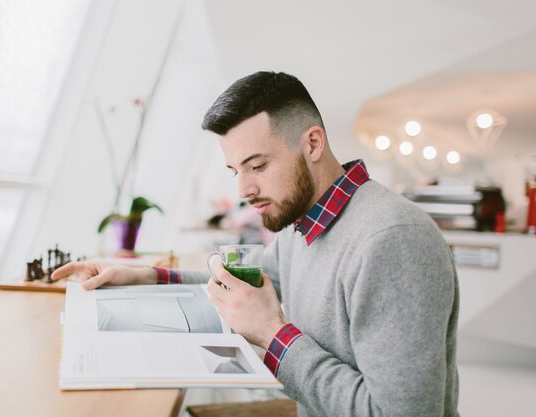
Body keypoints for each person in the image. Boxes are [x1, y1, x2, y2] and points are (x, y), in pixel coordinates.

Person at [52, 71, 460, 417]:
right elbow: (249, 283)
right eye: (235, 171)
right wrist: (147, 275)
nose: (245, 189)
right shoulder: (305, 225)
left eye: (258, 166)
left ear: (313, 144)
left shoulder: (392, 241)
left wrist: (271, 332)